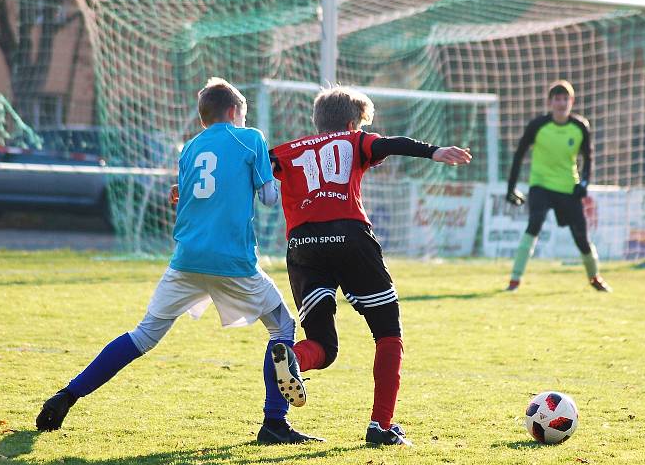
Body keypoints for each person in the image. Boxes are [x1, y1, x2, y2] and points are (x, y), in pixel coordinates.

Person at [36, 77, 323, 445]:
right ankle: (274, 423)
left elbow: (192, 193)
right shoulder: (250, 137)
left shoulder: (189, 148)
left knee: (142, 336)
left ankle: (66, 396)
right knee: (283, 328)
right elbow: (268, 198)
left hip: (186, 260)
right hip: (232, 261)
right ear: (235, 113)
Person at [269, 86, 472, 446]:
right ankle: (380, 426)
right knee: (388, 333)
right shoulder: (353, 140)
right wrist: (434, 152)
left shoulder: (286, 150)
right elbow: (388, 144)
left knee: (323, 345)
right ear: (351, 124)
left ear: (317, 122)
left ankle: (295, 358)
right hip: (350, 237)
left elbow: (248, 172)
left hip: (302, 246)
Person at [505, 80, 611, 292]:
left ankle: (594, 277)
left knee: (581, 236)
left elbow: (588, 159)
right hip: (540, 185)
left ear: (572, 101)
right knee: (535, 222)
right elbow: (519, 155)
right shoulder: (538, 125)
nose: (561, 103)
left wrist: (584, 182)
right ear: (550, 102)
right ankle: (514, 280)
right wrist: (511, 188)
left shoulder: (580, 126)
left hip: (567, 188)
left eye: (565, 99)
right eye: (557, 99)